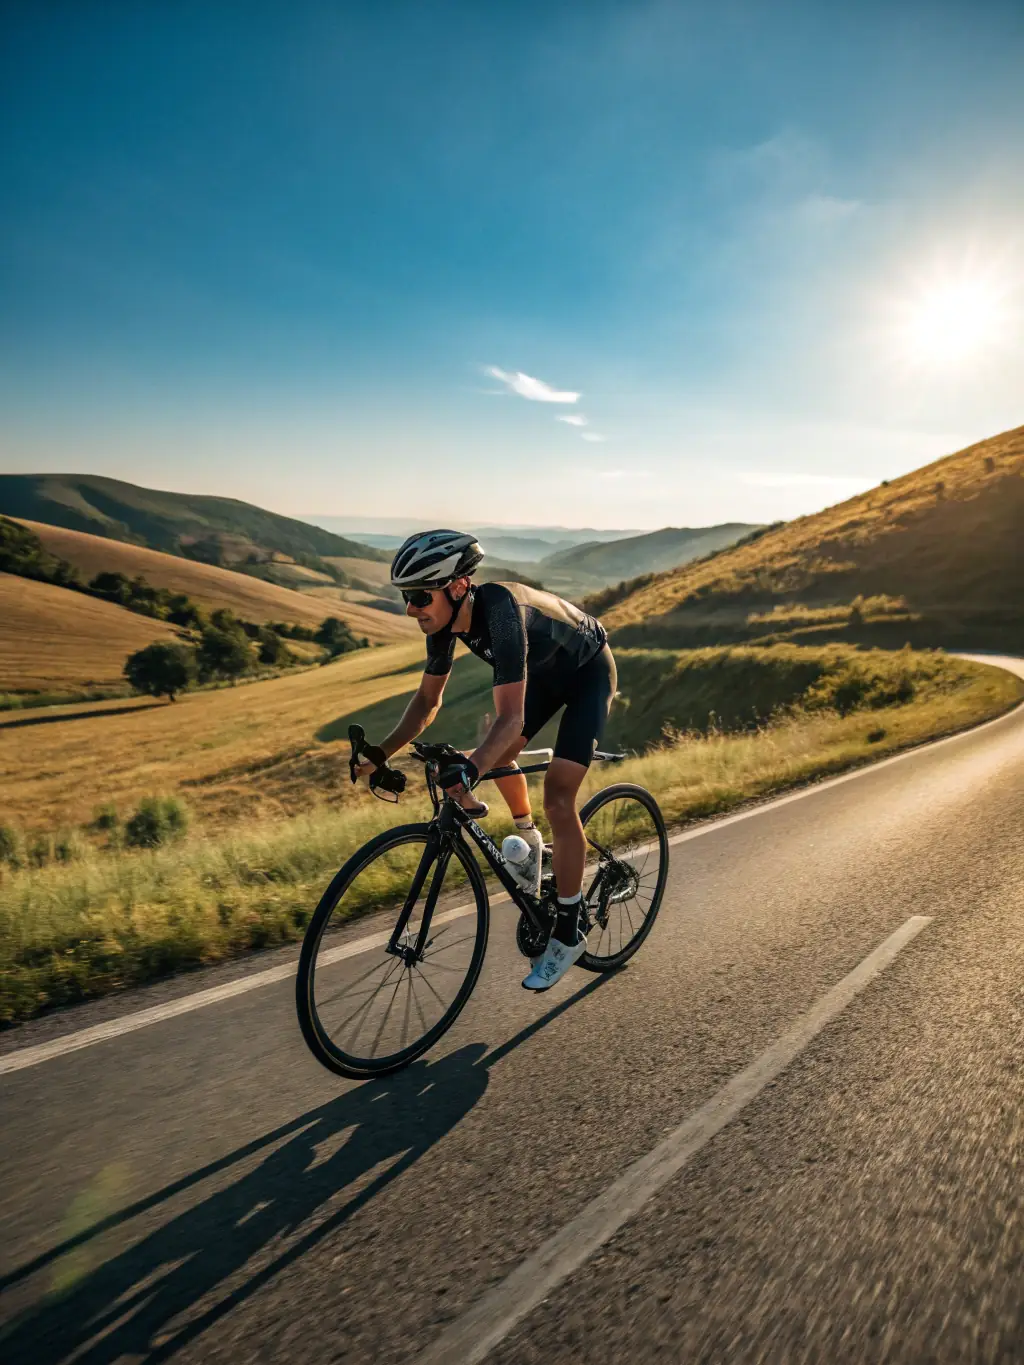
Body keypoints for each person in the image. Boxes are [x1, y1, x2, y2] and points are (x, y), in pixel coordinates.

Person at [355, 529, 617, 992]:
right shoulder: (443, 626)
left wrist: (470, 769)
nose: (412, 609)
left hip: (586, 671)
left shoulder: (498, 610)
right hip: (544, 675)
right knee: (491, 751)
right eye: (406, 599)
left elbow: (512, 715)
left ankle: (569, 931)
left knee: (558, 797)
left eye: (419, 597)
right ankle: (530, 842)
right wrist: (380, 753)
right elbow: (426, 703)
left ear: (457, 587)